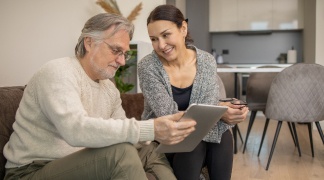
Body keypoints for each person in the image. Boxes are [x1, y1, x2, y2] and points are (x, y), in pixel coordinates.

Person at [3, 13, 197, 180]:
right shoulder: (58, 72)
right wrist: (150, 129)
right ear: (89, 42)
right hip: (31, 171)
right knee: (121, 154)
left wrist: (161, 129)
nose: (121, 61)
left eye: (124, 54)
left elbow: (126, 134)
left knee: (148, 150)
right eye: (115, 50)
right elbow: (75, 130)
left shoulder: (109, 89)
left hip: (79, 164)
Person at [138, 5, 249, 180]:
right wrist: (219, 109)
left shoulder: (206, 61)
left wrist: (223, 111)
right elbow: (169, 116)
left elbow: (205, 106)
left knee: (222, 135)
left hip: (198, 134)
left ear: (183, 28)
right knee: (195, 141)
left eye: (166, 35)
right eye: (154, 39)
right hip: (164, 138)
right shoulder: (148, 66)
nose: (160, 45)